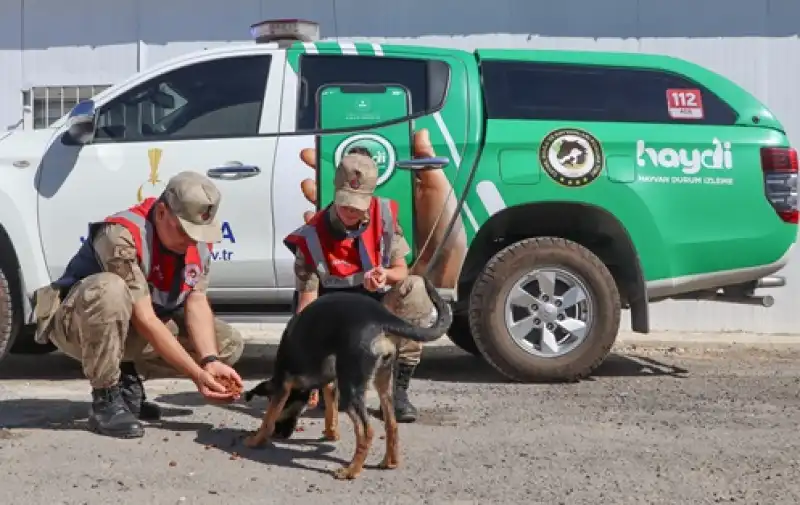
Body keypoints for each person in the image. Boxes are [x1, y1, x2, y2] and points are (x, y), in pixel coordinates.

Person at [31, 171, 245, 439]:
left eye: (197, 232)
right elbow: (144, 316)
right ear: (162, 213)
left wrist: (209, 361)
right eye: (184, 230)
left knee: (227, 343)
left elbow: (196, 301)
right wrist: (196, 375)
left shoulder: (195, 242)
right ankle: (106, 397)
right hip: (74, 324)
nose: (191, 240)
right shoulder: (121, 234)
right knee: (110, 289)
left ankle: (126, 375)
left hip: (132, 326)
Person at [284, 153, 438, 423]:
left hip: (375, 304)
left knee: (415, 288)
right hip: (336, 314)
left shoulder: (385, 217)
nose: (351, 213)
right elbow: (306, 303)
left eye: (358, 207)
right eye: (345, 205)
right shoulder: (311, 236)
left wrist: (385, 275)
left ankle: (398, 391)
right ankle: (325, 383)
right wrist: (305, 364)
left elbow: (402, 270)